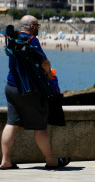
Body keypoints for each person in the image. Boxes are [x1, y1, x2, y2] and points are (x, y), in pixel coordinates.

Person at [1, 15, 70, 170]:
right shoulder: (31, 40)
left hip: (11, 87)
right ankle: (51, 160)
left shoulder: (13, 38)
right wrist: (50, 75)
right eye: (37, 26)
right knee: (40, 126)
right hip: (30, 90)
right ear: (32, 27)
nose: (38, 28)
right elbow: (44, 63)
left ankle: (6, 160)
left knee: (11, 123)